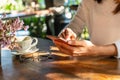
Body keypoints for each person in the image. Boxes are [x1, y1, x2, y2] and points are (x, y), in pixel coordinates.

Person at [53, 0, 120, 58]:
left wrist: (95, 50)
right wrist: (67, 34)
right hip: (96, 61)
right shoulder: (88, 1)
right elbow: (76, 23)